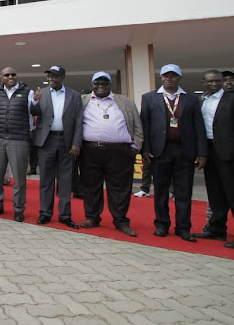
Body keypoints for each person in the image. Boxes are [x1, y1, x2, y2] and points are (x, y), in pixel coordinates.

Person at [140, 64, 207, 242]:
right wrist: (145, 149)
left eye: (173, 76)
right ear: (161, 78)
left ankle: (183, 228)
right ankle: (161, 225)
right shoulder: (149, 98)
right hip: (160, 152)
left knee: (183, 192)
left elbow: (199, 127)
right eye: (166, 76)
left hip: (185, 151)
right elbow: (144, 125)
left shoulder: (191, 99)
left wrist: (202, 152)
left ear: (179, 78)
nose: (169, 79)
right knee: (160, 191)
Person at [78, 72, 143, 237]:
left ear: (110, 85)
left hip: (120, 151)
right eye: (97, 83)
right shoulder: (82, 101)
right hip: (90, 150)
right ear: (92, 84)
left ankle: (121, 220)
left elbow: (137, 125)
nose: (101, 86)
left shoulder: (125, 102)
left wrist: (135, 146)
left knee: (120, 187)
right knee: (91, 186)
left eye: (105, 83)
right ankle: (92, 217)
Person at [30, 66, 83, 229]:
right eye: (49, 76)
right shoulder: (42, 93)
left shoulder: (74, 95)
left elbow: (79, 121)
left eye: (55, 76)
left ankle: (65, 215)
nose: (51, 79)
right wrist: (35, 101)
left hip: (66, 142)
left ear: (63, 77)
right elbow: (33, 112)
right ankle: (45, 213)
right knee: (45, 179)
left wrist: (76, 143)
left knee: (65, 180)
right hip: (47, 140)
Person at [193, 70, 234, 249]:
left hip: (229, 152)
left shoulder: (231, 99)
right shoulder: (202, 100)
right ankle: (216, 229)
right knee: (215, 193)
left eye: (218, 81)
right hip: (208, 151)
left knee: (232, 192)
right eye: (210, 81)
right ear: (204, 83)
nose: (214, 84)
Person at [0, 67, 34, 222]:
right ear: (1, 78)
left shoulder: (28, 93)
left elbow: (33, 114)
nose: (10, 76)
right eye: (6, 75)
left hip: (19, 139)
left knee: (19, 177)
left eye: (13, 74)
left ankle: (19, 209)